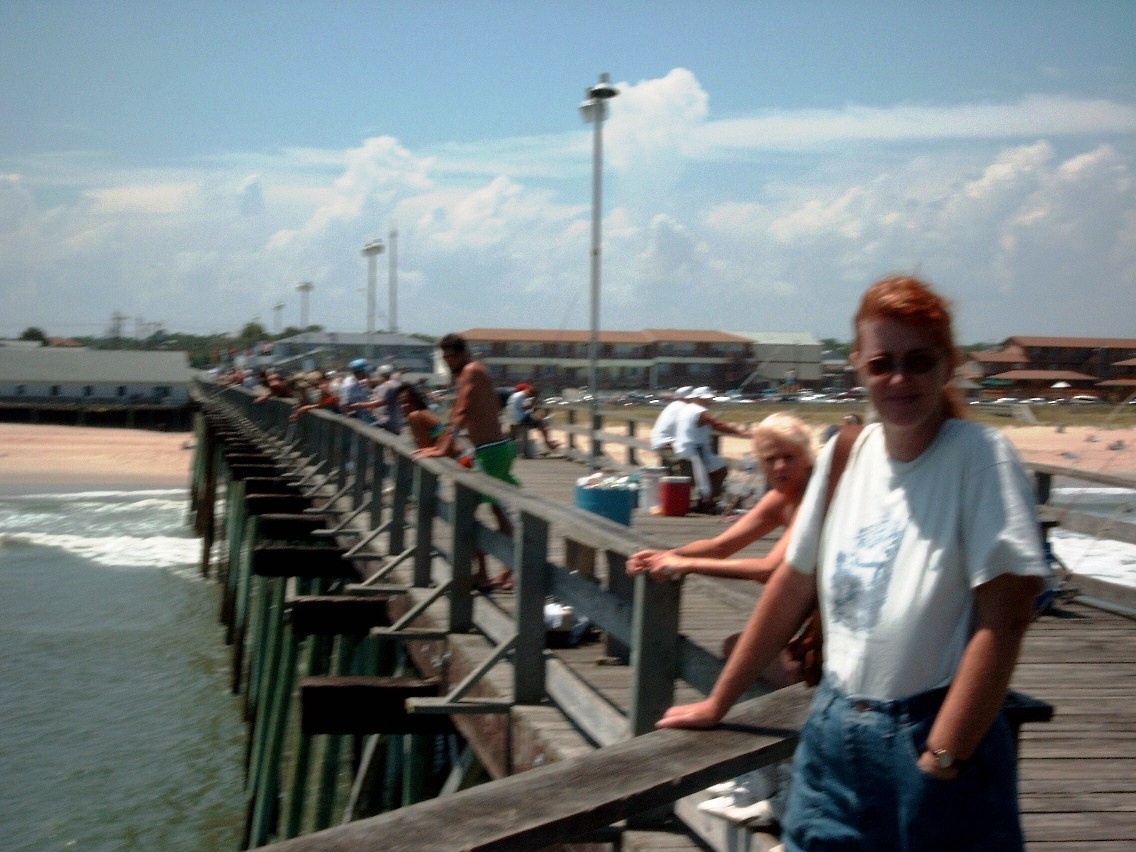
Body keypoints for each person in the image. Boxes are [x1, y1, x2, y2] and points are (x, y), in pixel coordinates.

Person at [656, 275, 1051, 851]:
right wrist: (720, 701)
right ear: (859, 369)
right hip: (834, 729)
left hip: (931, 731)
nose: (899, 379)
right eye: (882, 363)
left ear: (948, 365)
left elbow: (1006, 618)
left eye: (919, 361)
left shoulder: (981, 459)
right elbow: (793, 583)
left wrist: (944, 755)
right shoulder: (846, 454)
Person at [628, 411, 816, 689]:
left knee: (757, 662)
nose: (779, 467)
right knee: (736, 648)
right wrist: (667, 555)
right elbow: (720, 546)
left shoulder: (815, 499)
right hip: (807, 616)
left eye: (789, 458)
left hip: (840, 624)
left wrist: (686, 565)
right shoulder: (781, 498)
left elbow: (769, 569)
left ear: (808, 457)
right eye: (770, 459)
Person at [416, 333, 518, 590]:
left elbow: (460, 411)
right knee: (496, 510)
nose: (448, 362)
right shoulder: (471, 371)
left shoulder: (471, 371)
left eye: (452, 357)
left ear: (464, 354)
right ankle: (505, 570)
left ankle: (486, 573)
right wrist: (441, 446)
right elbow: (463, 412)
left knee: (465, 512)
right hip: (491, 449)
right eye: (445, 358)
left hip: (491, 451)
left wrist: (442, 449)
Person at [672, 387, 751, 513]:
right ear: (697, 399)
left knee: (718, 469)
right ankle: (706, 502)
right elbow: (716, 424)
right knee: (712, 474)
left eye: (709, 399)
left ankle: (706, 501)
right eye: (706, 399)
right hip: (694, 451)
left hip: (685, 448)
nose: (709, 402)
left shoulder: (686, 409)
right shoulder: (699, 411)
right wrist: (740, 432)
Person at [649, 386, 693, 473]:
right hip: (669, 446)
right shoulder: (685, 407)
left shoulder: (672, 406)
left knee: (668, 471)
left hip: (660, 444)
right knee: (693, 459)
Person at [505, 383, 559, 452]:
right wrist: (533, 403)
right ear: (530, 393)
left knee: (513, 436)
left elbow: (520, 408)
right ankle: (549, 444)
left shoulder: (516, 395)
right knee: (541, 423)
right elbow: (525, 408)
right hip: (520, 418)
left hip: (512, 417)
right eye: (531, 396)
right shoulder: (522, 396)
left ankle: (509, 449)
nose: (530, 397)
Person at [339, 359, 376, 425]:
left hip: (366, 417)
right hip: (358, 421)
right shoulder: (349, 385)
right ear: (361, 372)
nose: (368, 374)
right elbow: (344, 406)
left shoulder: (358, 381)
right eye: (366, 371)